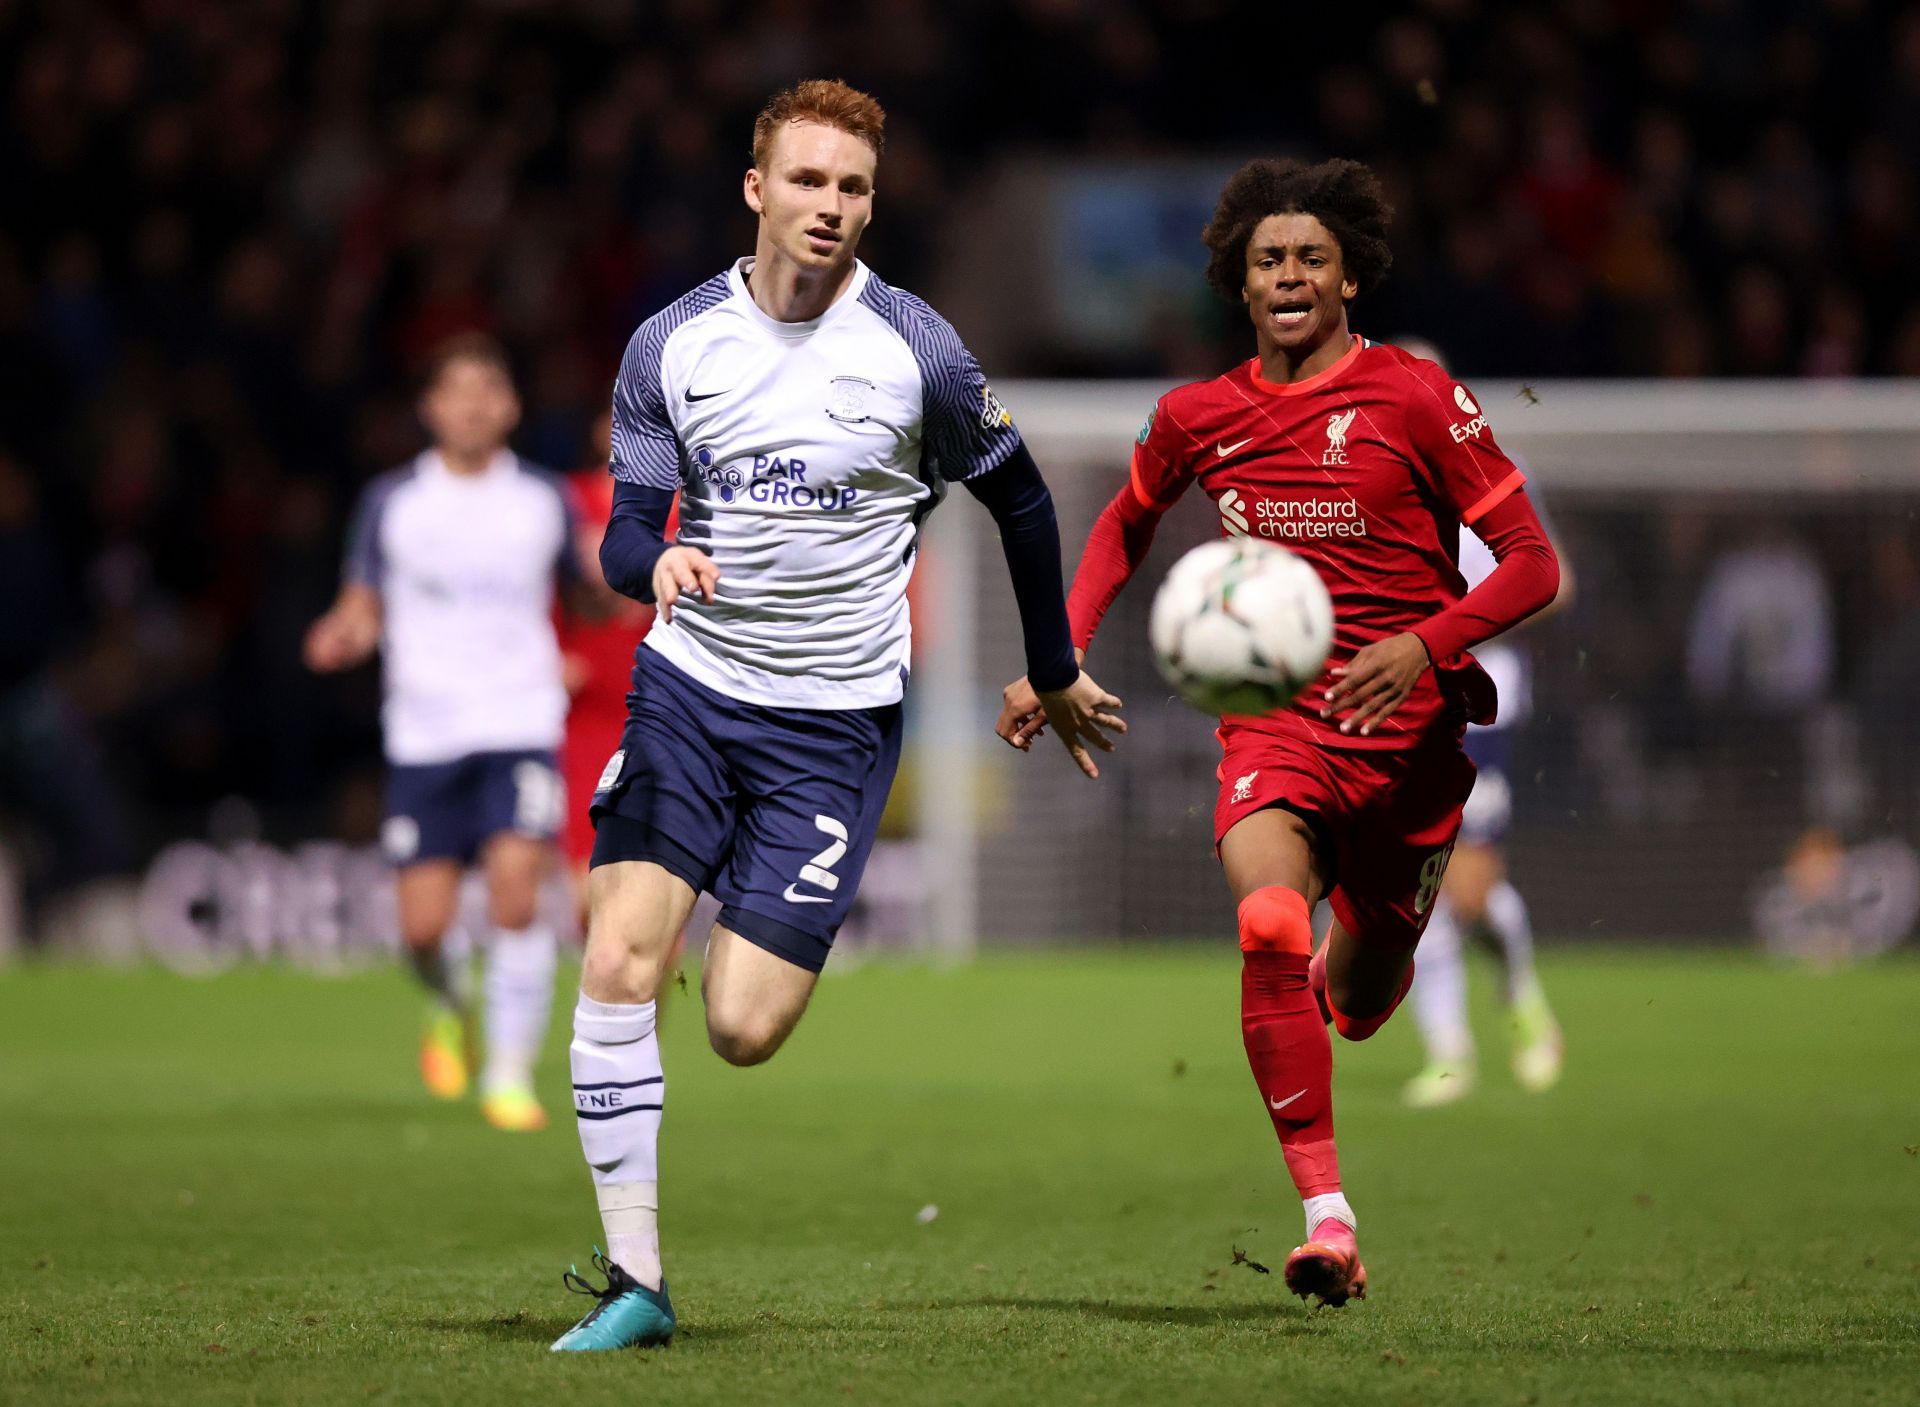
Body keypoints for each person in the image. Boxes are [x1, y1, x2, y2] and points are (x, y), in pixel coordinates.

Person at [550, 79, 1122, 1352]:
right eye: (807, 180)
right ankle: (636, 1279)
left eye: (853, 187)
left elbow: (1022, 504)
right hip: (690, 689)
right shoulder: (671, 343)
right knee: (616, 957)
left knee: (744, 1029)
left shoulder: (918, 349)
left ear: (873, 202)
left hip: (835, 725)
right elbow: (625, 532)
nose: (830, 205)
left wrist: (1054, 662)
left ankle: (730, 920)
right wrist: (658, 568)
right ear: (757, 189)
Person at [999, 159, 1560, 1307]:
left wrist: (1429, 642)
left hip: (1411, 747)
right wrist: (1053, 661)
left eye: (1310, 256)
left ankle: (1347, 988)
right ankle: (1328, 1219)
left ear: (1349, 273)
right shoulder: (1199, 416)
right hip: (1279, 733)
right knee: (1266, 923)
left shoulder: (1412, 398)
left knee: (1355, 1003)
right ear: (1238, 285)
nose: (1290, 276)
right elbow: (1121, 525)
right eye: (1268, 261)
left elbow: (1533, 564)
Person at [305, 334, 584, 1134]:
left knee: (516, 895)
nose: (471, 404)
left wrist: (601, 617)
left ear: (510, 405)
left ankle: (507, 1074)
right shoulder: (394, 500)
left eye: (486, 388)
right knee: (423, 926)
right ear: (429, 407)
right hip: (425, 730)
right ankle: (446, 1001)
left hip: (519, 719)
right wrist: (344, 632)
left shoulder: (542, 498)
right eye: (455, 390)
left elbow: (584, 591)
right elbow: (364, 599)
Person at [1392, 338, 1569, 1109]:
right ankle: (1449, 1053)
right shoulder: (1355, 478)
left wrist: (1460, 618)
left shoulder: (1486, 469)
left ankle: (1523, 997)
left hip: (1480, 703)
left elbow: (1553, 582)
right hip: (1389, 703)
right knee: (1404, 877)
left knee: (1466, 888)